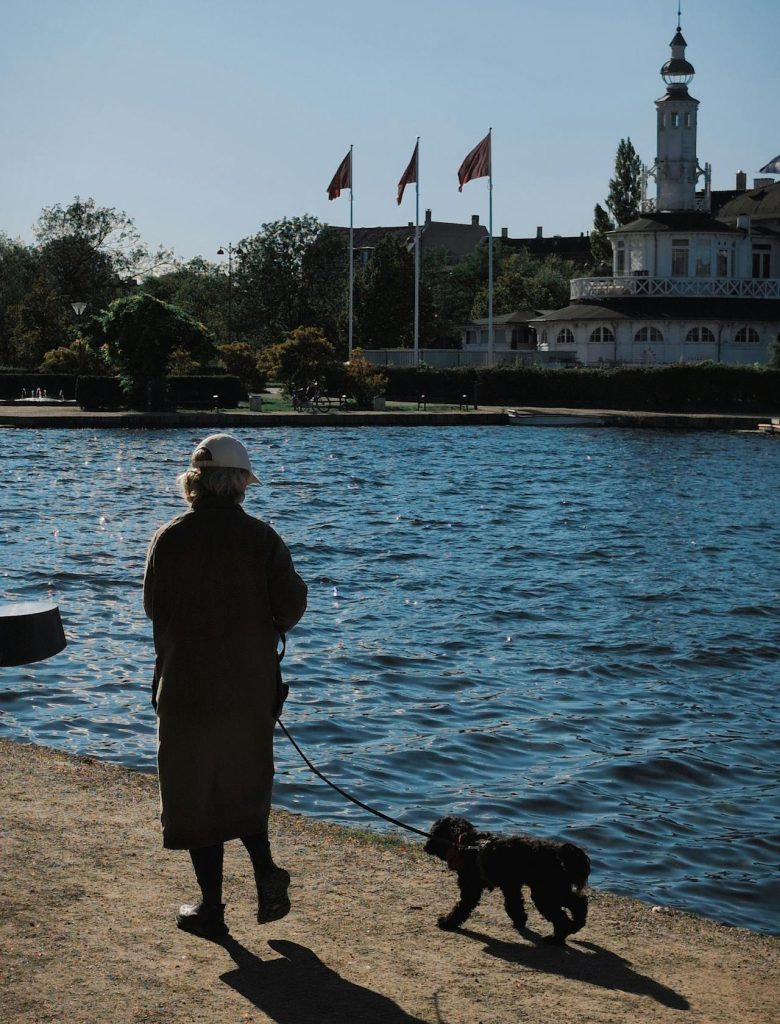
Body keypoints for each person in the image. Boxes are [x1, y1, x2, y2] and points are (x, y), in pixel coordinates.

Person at [144, 433, 307, 938]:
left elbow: (153, 606)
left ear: (194, 482)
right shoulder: (262, 540)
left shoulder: (169, 538)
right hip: (249, 689)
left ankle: (212, 908)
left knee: (195, 793)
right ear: (239, 484)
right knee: (245, 781)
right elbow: (292, 608)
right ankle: (264, 871)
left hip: (186, 688)